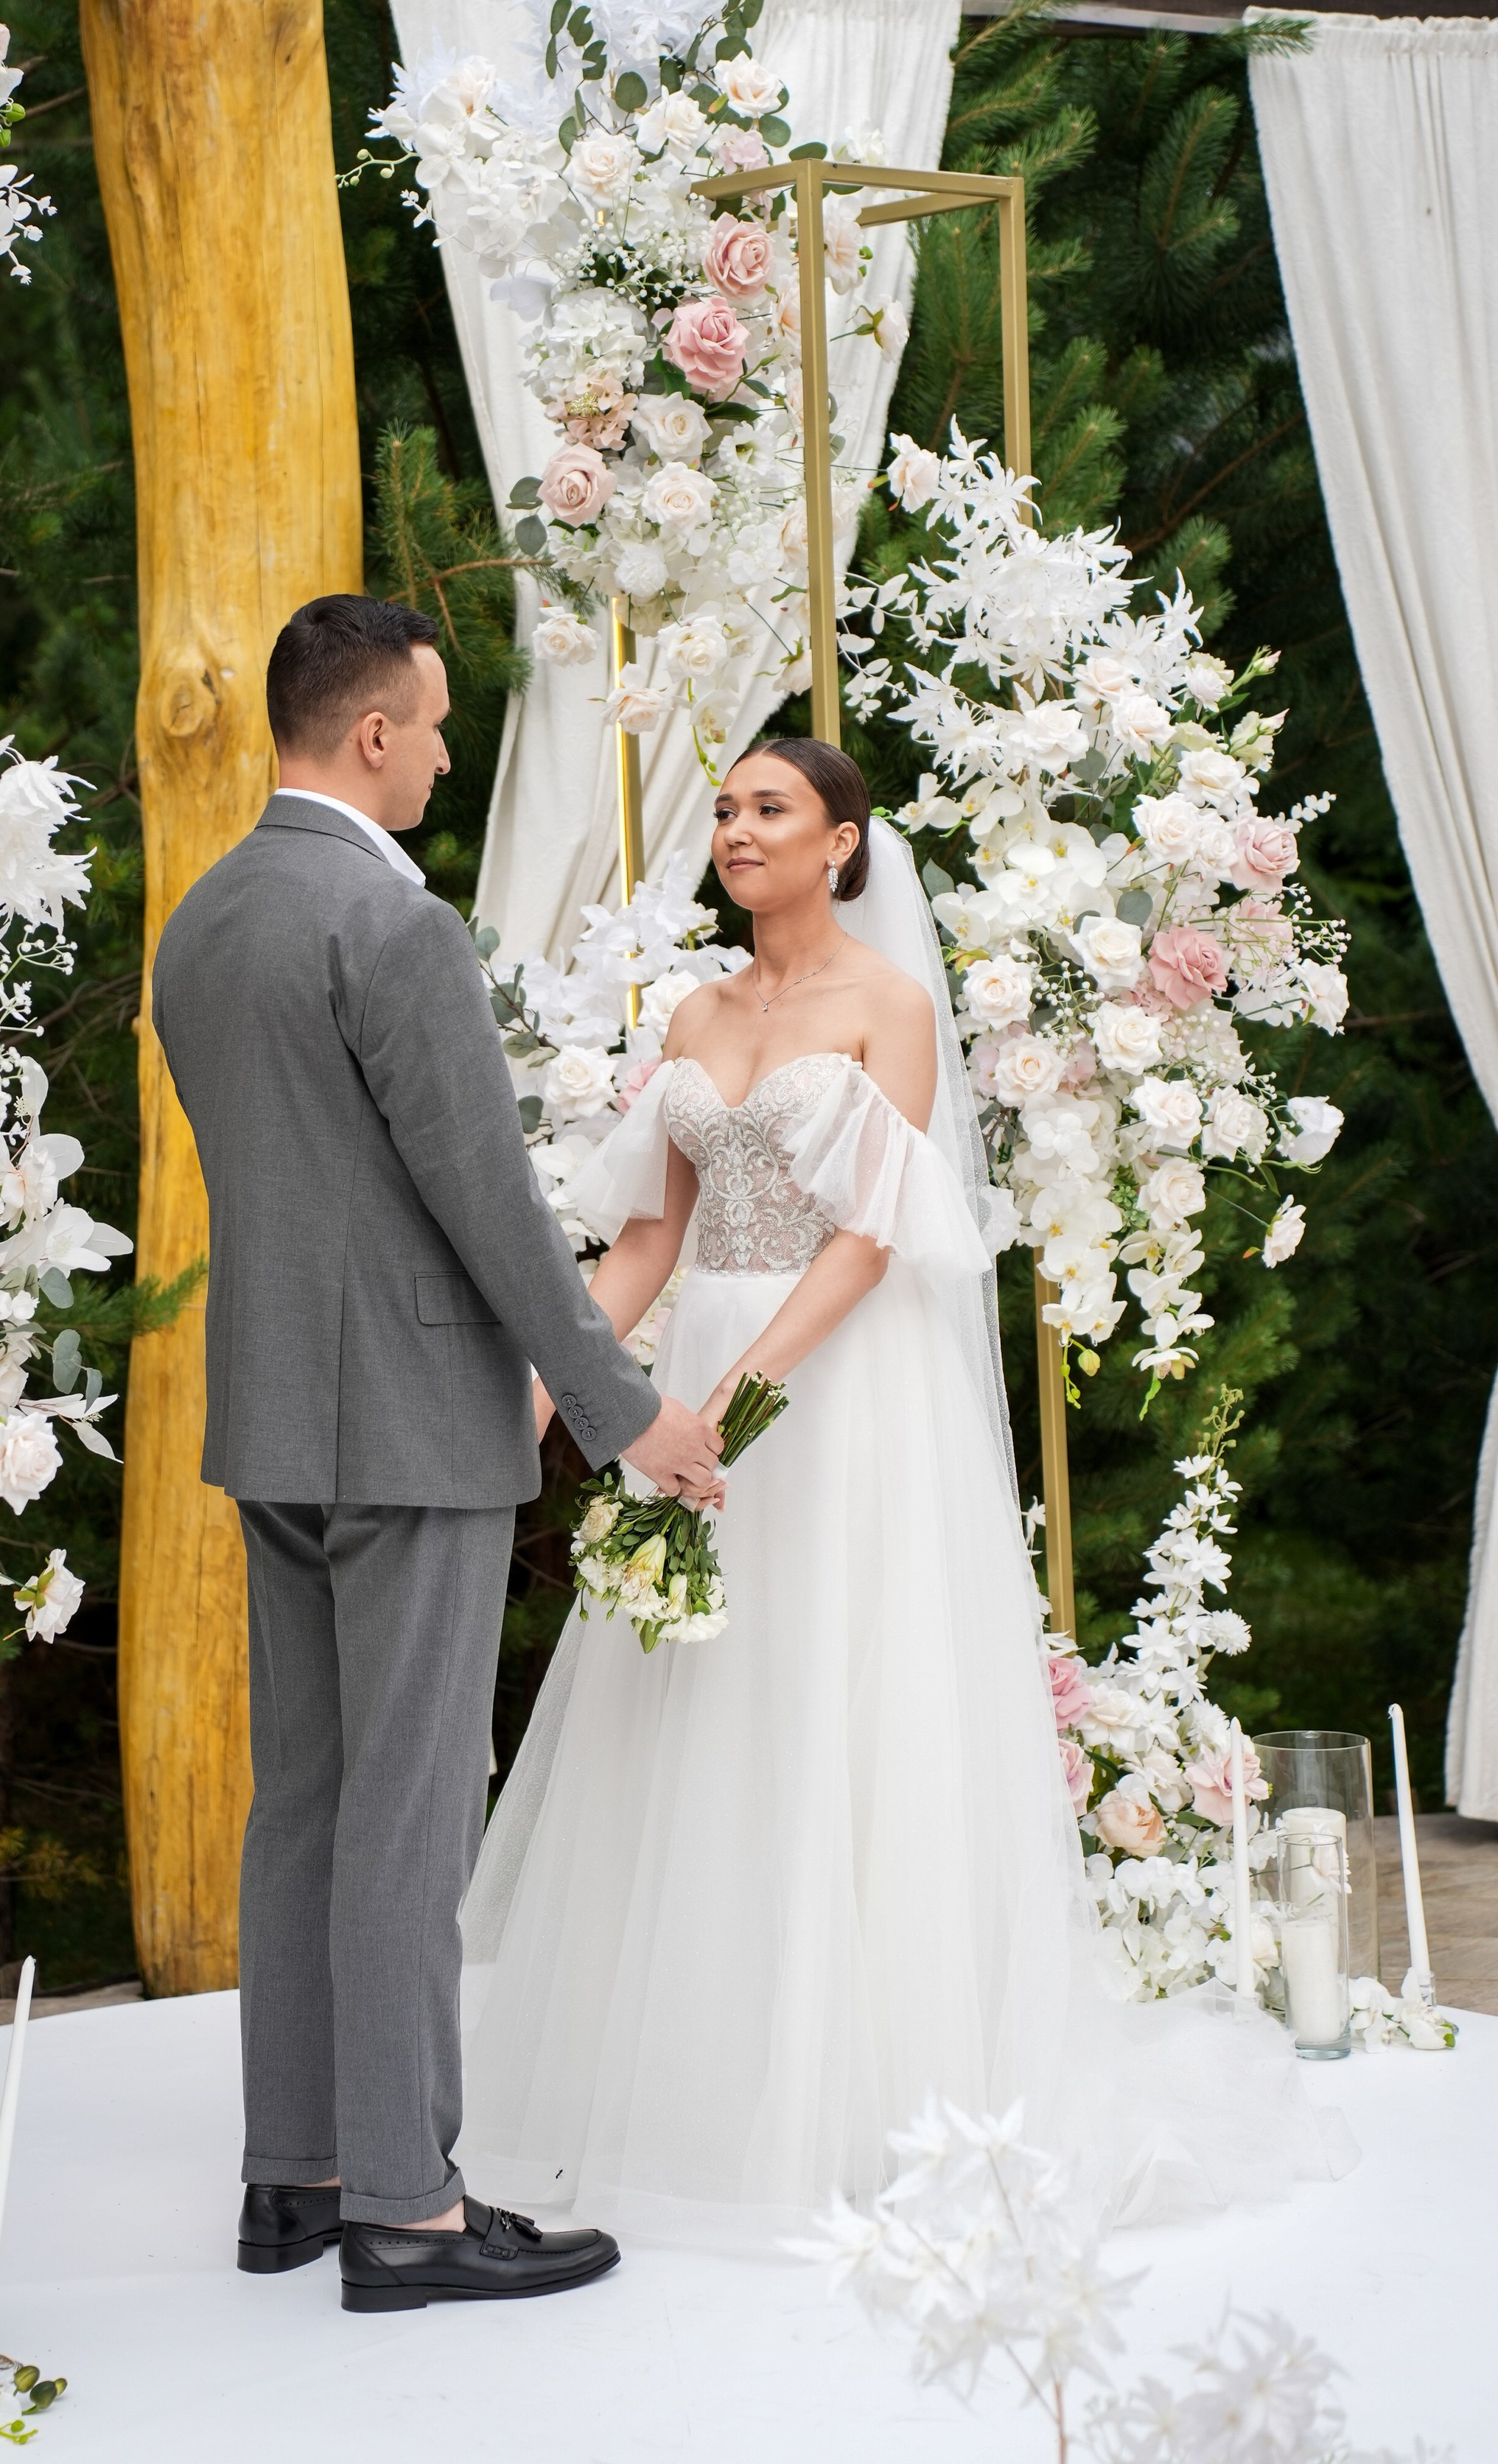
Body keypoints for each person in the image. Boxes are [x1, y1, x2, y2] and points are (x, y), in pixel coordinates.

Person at [456, 736, 1350, 2247]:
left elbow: (869, 1243)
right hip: (699, 1379)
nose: (736, 830)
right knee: (700, 1707)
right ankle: (700, 2083)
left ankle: (868, 2088)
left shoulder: (890, 1008)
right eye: (727, 808)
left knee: (835, 1700)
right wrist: (549, 1386)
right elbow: (650, 1242)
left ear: (841, 845)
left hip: (835, 1389)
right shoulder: (692, 1009)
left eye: (769, 810)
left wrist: (727, 1410)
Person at [148, 594, 725, 2313]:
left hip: (270, 1416)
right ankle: (405, 2208)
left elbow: (306, 1186)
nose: (454, 751)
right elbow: (481, 1204)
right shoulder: (386, 926)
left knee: (307, 1802)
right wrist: (624, 1415)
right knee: (405, 1813)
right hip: (403, 1424)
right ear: (373, 733)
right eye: (440, 722)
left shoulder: (207, 918)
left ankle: (296, 2174)